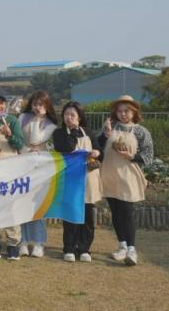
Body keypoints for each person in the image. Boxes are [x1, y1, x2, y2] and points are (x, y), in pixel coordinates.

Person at [98, 95, 153, 266]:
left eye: (126, 111)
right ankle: (121, 246)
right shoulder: (110, 127)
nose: (123, 114)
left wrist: (132, 156)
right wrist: (105, 134)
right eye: (120, 111)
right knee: (115, 212)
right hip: (109, 174)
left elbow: (148, 155)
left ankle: (131, 249)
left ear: (134, 112)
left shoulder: (141, 131)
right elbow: (98, 147)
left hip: (128, 176)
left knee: (127, 213)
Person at [52, 101, 103, 263]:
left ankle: (84, 249)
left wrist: (96, 152)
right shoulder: (59, 133)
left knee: (88, 215)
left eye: (72, 115)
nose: (69, 117)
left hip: (88, 177)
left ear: (79, 117)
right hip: (71, 178)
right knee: (71, 213)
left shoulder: (88, 132)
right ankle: (69, 248)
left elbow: (99, 150)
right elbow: (66, 148)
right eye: (66, 114)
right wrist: (73, 132)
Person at [0, 91, 24, 261]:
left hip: (10, 169)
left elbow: (20, 144)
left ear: (5, 105)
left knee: (11, 206)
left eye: (1, 103)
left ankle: (13, 243)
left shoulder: (12, 121)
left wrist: (9, 135)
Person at [18, 90, 58, 258]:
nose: (37, 107)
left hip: (39, 168)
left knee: (37, 205)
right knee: (21, 204)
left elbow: (35, 140)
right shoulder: (22, 117)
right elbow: (18, 139)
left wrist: (38, 119)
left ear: (47, 106)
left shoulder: (51, 125)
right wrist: (26, 150)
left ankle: (38, 242)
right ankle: (23, 241)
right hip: (21, 165)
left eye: (41, 104)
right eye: (35, 104)